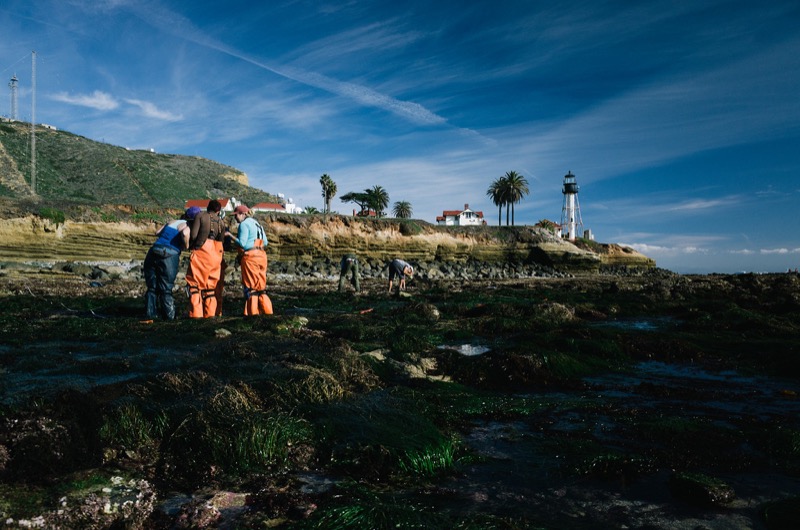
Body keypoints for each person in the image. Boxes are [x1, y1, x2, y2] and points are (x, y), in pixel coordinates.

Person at [143, 207, 197, 320]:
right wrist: (186, 245)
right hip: (169, 254)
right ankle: (169, 316)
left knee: (152, 287)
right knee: (166, 288)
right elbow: (185, 233)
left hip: (154, 250)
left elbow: (157, 232)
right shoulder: (188, 224)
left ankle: (150, 314)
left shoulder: (172, 221)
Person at [185, 199, 227, 318]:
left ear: (208, 207)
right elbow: (221, 243)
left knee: (194, 286)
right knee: (210, 289)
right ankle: (210, 315)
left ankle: (196, 316)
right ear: (218, 211)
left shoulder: (201, 216)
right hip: (215, 257)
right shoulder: (222, 223)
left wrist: (192, 246)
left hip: (201, 254)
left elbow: (193, 235)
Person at [230, 204, 273, 315]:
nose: (235, 218)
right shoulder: (257, 224)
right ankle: (268, 313)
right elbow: (266, 242)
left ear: (243, 214)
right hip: (262, 255)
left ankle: (252, 314)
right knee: (261, 288)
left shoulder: (244, 224)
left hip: (251, 257)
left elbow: (242, 243)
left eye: (236, 215)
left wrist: (230, 236)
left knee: (251, 288)